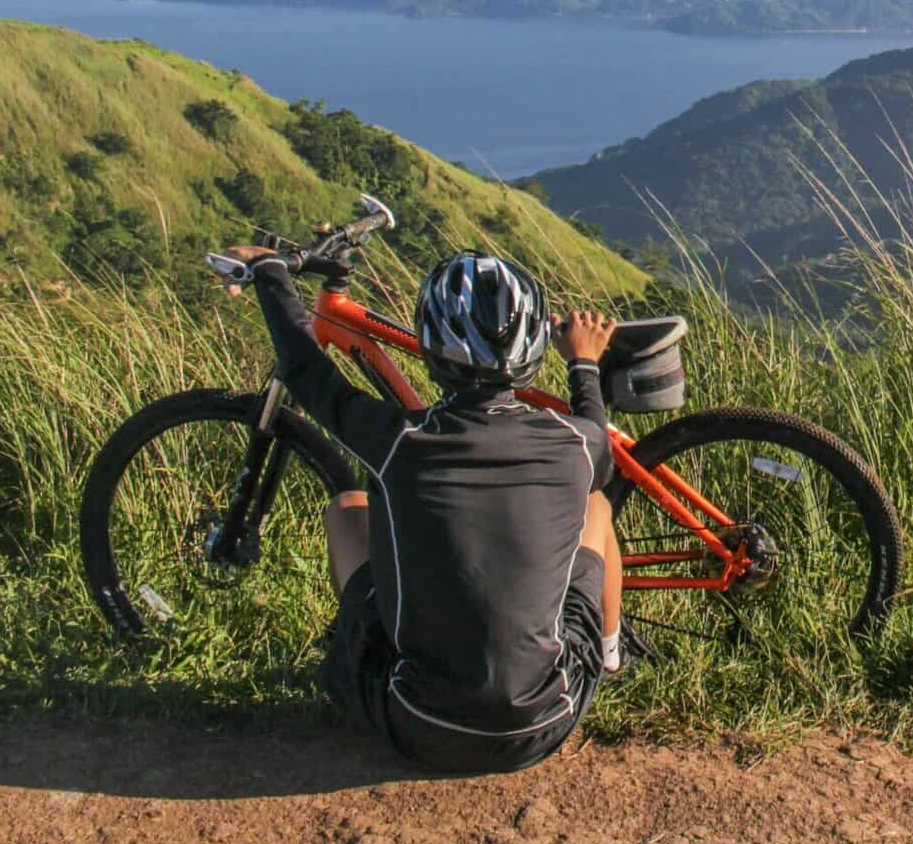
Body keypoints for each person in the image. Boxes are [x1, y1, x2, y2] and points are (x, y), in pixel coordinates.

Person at [224, 243, 623, 774]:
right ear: (533, 351)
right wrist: (584, 362)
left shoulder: (396, 440)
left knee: (347, 509)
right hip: (545, 723)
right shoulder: (576, 443)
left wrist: (271, 271)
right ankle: (610, 652)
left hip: (419, 724)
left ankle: (358, 651)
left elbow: (302, 365)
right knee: (595, 507)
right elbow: (597, 433)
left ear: (431, 348)